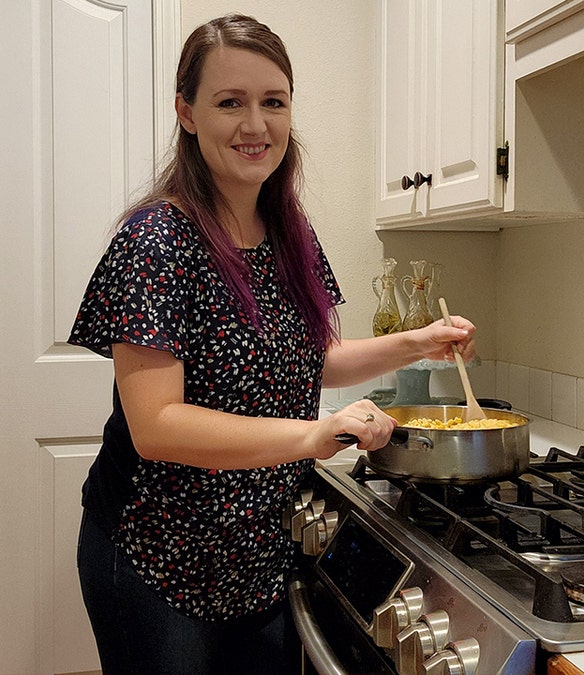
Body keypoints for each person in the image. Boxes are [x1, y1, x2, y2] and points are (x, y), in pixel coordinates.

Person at [69, 14, 476, 675]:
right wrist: (314, 435)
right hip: (154, 561)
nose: (255, 125)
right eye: (230, 102)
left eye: (273, 102)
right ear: (188, 112)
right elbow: (157, 425)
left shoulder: (292, 235)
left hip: (256, 557)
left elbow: (310, 363)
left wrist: (418, 343)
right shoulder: (155, 243)